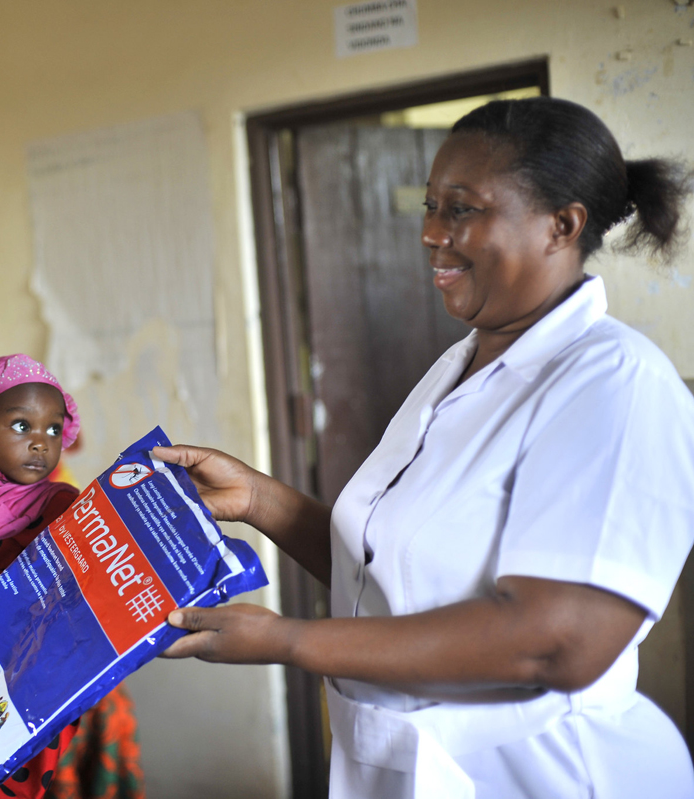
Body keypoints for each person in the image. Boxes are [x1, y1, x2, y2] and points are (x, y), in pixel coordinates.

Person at [156, 97, 694, 797]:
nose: (432, 232)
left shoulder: (616, 383)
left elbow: (557, 640)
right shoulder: (461, 367)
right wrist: (261, 499)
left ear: (562, 225)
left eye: (463, 209)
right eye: (429, 206)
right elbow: (396, 574)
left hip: (546, 775)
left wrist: (289, 640)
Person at [0, 354, 144, 799]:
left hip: (33, 691)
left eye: (54, 429)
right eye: (22, 426)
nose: (42, 443)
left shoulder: (63, 509)